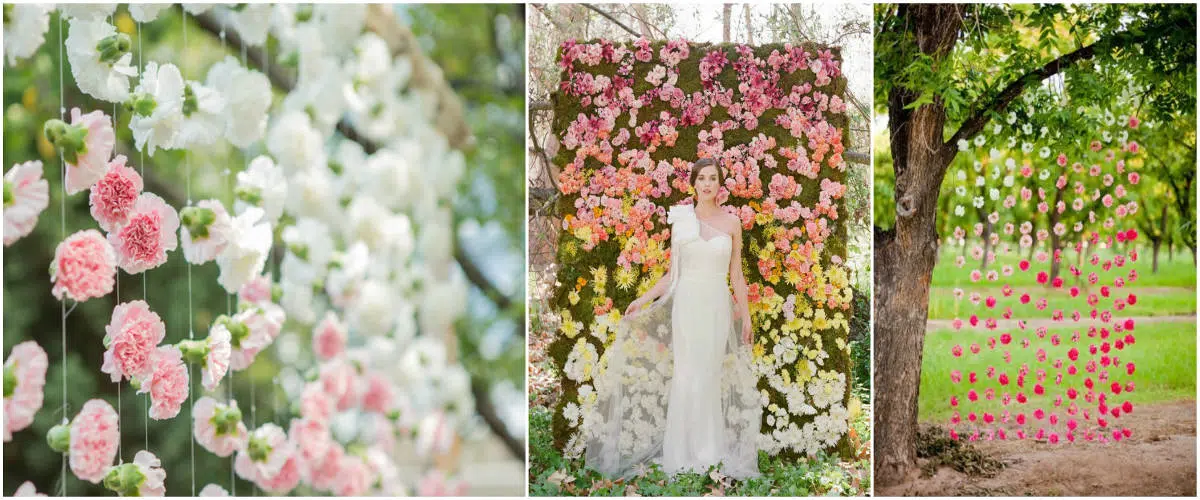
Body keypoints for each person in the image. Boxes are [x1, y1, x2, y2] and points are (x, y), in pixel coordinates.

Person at [584, 157, 761, 480]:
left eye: (712, 178)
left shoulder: (732, 223)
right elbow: (671, 275)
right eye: (701, 178)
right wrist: (642, 299)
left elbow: (737, 275)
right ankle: (680, 453)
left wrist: (746, 315)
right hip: (688, 304)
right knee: (687, 374)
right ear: (693, 184)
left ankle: (709, 452)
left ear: (720, 184)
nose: (707, 184)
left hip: (716, 305)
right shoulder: (681, 221)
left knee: (708, 375)